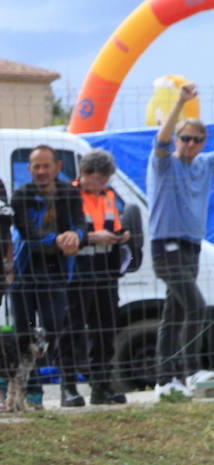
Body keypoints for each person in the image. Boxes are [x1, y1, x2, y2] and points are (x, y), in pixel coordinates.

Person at [148, 84, 213, 400]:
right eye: (184, 138)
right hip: (166, 245)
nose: (189, 143)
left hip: (191, 244)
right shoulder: (164, 163)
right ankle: (192, 370)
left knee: (173, 314)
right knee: (196, 305)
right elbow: (161, 139)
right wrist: (180, 102)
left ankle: (166, 379)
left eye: (196, 139)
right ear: (177, 139)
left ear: (203, 143)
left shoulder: (204, 164)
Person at [12, 145, 86, 407]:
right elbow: (28, 233)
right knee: (24, 331)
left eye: (46, 166)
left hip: (55, 269)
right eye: (36, 166)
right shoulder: (21, 195)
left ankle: (69, 388)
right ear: (30, 169)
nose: (41, 171)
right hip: (25, 269)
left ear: (58, 167)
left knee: (59, 329)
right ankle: (30, 393)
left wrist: (76, 235)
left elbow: (80, 223)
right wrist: (60, 239)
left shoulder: (70, 192)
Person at [65, 151, 134, 406]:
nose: (102, 184)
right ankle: (68, 386)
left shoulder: (109, 195)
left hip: (106, 268)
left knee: (105, 328)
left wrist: (121, 234)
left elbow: (112, 225)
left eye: (105, 179)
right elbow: (65, 231)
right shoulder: (68, 194)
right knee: (73, 329)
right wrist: (93, 238)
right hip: (78, 267)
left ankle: (101, 386)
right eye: (97, 179)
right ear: (84, 174)